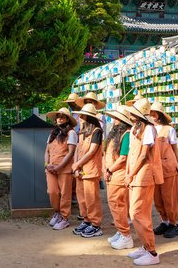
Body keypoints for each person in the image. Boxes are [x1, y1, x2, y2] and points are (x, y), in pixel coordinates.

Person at [125, 98, 163, 266]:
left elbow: (142, 155)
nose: (130, 114)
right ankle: (145, 246)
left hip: (144, 175)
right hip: (136, 174)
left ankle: (152, 252)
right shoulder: (136, 128)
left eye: (133, 112)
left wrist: (130, 174)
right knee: (139, 213)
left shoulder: (148, 129)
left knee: (138, 213)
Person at [71, 103, 104, 238]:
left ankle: (95, 224)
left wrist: (77, 164)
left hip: (90, 170)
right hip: (80, 170)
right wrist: (75, 166)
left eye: (82, 116)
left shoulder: (97, 131)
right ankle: (86, 220)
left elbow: (92, 151)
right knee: (81, 197)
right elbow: (77, 151)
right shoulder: (82, 132)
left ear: (88, 117)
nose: (80, 118)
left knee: (92, 198)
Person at [104, 105, 133, 250]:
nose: (113, 120)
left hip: (119, 174)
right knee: (113, 204)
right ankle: (120, 231)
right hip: (112, 173)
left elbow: (123, 158)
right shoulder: (115, 134)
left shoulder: (126, 134)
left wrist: (109, 170)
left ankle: (126, 235)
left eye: (116, 118)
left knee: (117, 204)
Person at [150, 101, 178, 239]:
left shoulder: (169, 130)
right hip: (155, 168)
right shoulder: (149, 129)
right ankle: (165, 221)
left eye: (153, 113)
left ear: (159, 115)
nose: (151, 115)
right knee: (157, 197)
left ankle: (174, 223)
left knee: (170, 197)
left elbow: (174, 149)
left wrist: (177, 166)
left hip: (168, 167)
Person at [44, 107, 78, 230]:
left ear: (67, 119)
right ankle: (57, 212)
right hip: (51, 169)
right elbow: (47, 150)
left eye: (62, 117)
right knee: (52, 192)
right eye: (58, 116)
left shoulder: (71, 133)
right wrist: (46, 164)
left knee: (65, 194)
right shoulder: (53, 133)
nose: (59, 119)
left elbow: (70, 153)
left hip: (64, 169)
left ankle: (65, 218)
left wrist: (59, 167)